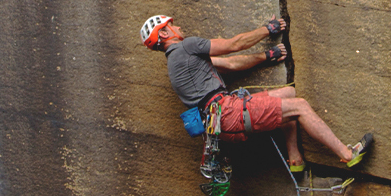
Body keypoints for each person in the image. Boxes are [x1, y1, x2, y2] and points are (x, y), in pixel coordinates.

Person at [140, 14, 372, 172]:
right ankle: (348, 154)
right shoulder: (186, 47)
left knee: (287, 95)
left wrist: (266, 56)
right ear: (163, 35)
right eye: (172, 26)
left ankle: (296, 159)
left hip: (219, 122)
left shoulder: (178, 63)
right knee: (300, 106)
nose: (179, 27)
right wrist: (267, 29)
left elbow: (231, 64)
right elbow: (234, 44)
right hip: (228, 112)